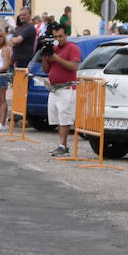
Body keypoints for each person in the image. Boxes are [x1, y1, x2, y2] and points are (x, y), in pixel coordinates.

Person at [43, 24, 81, 157]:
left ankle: (63, 145)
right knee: (56, 118)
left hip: (67, 88)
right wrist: (44, 56)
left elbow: (74, 66)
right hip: (54, 89)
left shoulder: (72, 48)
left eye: (60, 36)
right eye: (55, 36)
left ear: (66, 35)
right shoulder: (52, 49)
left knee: (65, 118)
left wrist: (57, 58)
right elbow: (46, 69)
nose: (58, 39)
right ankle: (61, 144)